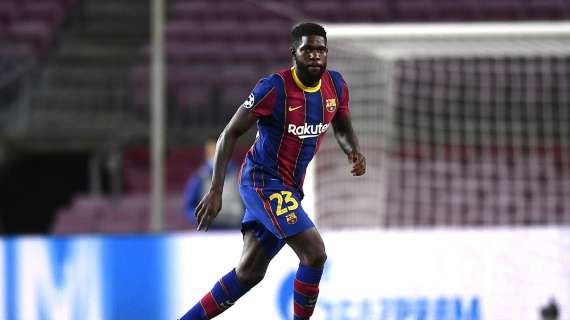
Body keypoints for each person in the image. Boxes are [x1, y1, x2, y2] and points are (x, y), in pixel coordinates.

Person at [179, 22, 366, 320]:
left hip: (290, 188)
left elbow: (342, 126)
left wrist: (352, 151)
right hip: (262, 182)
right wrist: (215, 190)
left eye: (321, 50)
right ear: (294, 53)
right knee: (315, 252)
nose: (315, 56)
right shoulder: (273, 88)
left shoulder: (336, 86)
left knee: (249, 272)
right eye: (308, 50)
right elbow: (229, 134)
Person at [183, 138, 243, 229]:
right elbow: (188, 207)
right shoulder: (200, 177)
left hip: (236, 230)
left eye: (216, 152)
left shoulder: (239, 176)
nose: (213, 156)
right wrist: (200, 219)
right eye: (209, 153)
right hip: (210, 232)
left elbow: (249, 205)